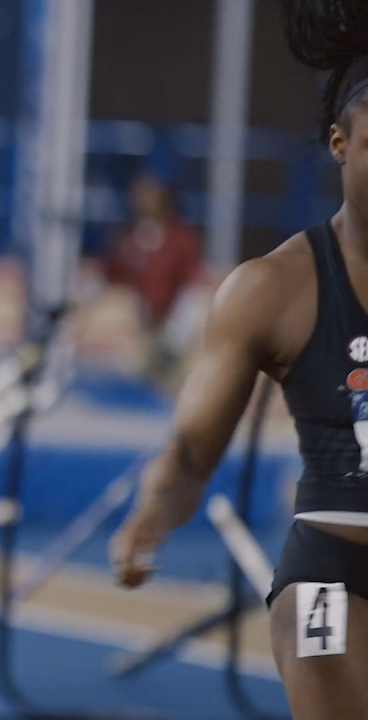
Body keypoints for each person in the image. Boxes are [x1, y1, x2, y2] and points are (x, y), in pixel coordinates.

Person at [110, 2, 368, 716]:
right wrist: (154, 512)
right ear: (341, 144)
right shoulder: (274, 290)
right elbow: (194, 449)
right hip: (335, 570)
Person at [102, 173, 203, 389]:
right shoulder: (129, 237)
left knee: (176, 380)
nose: (142, 201)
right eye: (138, 196)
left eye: (148, 195)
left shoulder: (181, 238)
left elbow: (190, 283)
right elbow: (112, 275)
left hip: (175, 319)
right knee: (148, 379)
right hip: (145, 322)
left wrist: (180, 323)